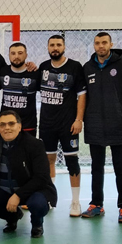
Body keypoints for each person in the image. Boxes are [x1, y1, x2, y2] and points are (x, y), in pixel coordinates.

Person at [81, 32, 122, 224]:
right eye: (97, 43)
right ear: (94, 46)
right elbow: (81, 96)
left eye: (104, 42)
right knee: (96, 168)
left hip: (118, 126)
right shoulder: (87, 68)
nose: (101, 46)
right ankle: (96, 205)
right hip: (94, 126)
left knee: (121, 169)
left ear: (111, 44)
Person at [0, 110, 57, 238]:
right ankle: (12, 217)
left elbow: (42, 178)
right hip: (4, 191)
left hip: (33, 191)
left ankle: (37, 224)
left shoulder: (35, 145)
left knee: (37, 204)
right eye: (3, 125)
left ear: (20, 126)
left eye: (11, 124)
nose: (7, 128)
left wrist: (18, 195)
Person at [38, 34, 87, 217]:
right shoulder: (43, 67)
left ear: (64, 47)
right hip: (46, 124)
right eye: (52, 45)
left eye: (58, 44)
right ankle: (50, 198)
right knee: (48, 161)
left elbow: (82, 95)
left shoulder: (74, 67)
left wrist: (79, 119)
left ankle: (75, 202)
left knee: (72, 162)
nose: (55, 48)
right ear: (48, 47)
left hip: (68, 124)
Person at [0, 42, 39, 134]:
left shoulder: (35, 74)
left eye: (20, 53)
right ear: (9, 55)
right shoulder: (2, 72)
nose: (16, 56)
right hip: (6, 125)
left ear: (26, 55)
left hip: (28, 125)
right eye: (13, 53)